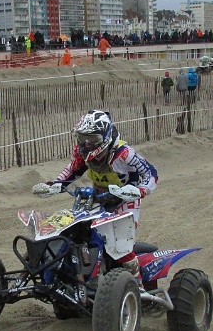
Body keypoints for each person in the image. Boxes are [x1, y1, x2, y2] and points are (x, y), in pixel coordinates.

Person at [32, 110, 158, 285]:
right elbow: (72, 170)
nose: (86, 143)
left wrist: (140, 190)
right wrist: (55, 184)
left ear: (104, 137)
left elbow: (150, 173)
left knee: (120, 246)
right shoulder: (82, 152)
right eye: (82, 138)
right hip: (97, 198)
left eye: (91, 139)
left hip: (126, 200)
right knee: (76, 231)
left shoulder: (123, 153)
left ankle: (137, 287)